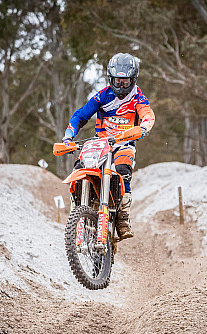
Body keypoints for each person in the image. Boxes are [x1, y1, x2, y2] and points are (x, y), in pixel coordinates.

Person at [62, 52, 155, 240]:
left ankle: (122, 217)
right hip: (100, 143)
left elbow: (147, 114)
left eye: (125, 81)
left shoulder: (137, 97)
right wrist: (69, 136)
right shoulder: (103, 96)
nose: (121, 85)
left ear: (133, 79)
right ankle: (77, 210)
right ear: (110, 78)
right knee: (79, 167)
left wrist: (143, 127)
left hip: (124, 142)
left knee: (123, 169)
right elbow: (81, 115)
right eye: (117, 81)